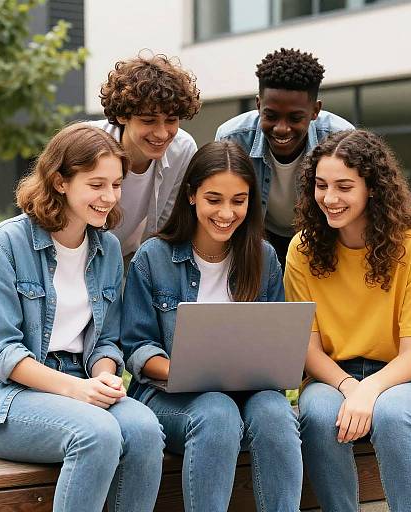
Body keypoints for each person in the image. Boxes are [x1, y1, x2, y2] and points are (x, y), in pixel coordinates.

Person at [0, 124, 165, 512]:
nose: (109, 197)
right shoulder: (7, 244)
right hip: (8, 399)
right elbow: (2, 352)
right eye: (96, 185)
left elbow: (105, 340)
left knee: (144, 430)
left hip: (79, 382)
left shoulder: (106, 249)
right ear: (59, 182)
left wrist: (103, 376)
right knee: (98, 434)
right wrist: (76, 391)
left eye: (117, 185)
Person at [121, 141, 303, 512]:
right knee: (217, 411)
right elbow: (136, 348)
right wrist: (185, 373)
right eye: (214, 199)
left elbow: (276, 341)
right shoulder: (154, 258)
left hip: (248, 397)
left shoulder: (264, 258)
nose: (226, 212)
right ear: (191, 196)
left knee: (275, 412)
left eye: (239, 200)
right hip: (168, 398)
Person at [285, 129, 411, 512]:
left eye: (344, 186)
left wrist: (368, 390)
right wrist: (348, 385)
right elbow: (307, 350)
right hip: (331, 373)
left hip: (406, 378)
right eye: (321, 185)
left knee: (392, 416)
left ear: (372, 188)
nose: (329, 198)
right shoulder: (302, 249)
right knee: (319, 416)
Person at [216, 47, 354, 267]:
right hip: (258, 239)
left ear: (315, 111)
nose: (281, 129)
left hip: (322, 239)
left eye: (295, 118)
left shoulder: (340, 139)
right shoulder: (232, 139)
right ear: (259, 105)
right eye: (270, 116)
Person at [89, 51, 201, 258]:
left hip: (129, 259)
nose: (161, 133)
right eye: (148, 121)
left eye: (171, 120)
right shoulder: (87, 142)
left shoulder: (183, 149)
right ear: (123, 116)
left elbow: (166, 227)